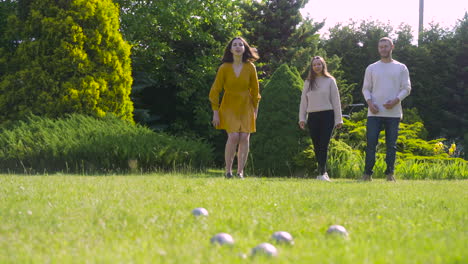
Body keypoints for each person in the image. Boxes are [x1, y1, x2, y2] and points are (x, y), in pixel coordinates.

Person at [209, 37, 260, 179]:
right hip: (229, 104)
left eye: (241, 45)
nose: (238, 47)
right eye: (235, 45)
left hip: (246, 104)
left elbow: (255, 90)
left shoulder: (250, 67)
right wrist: (215, 112)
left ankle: (240, 172)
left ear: (244, 49)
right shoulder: (224, 68)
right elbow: (215, 90)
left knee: (244, 137)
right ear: (230, 49)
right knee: (233, 137)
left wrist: (255, 109)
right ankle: (228, 171)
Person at [361, 37, 411, 182]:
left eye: (386, 46)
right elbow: (365, 89)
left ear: (392, 47)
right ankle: (367, 174)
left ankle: (390, 174)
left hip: (393, 113)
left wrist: (396, 101)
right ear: (378, 49)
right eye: (381, 47)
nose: (383, 49)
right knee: (371, 144)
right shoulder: (371, 68)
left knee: (391, 146)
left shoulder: (401, 68)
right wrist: (370, 103)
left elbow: (406, 88)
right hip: (374, 113)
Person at [299, 56, 343, 182]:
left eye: (319, 64)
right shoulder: (308, 82)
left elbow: (336, 100)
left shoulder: (330, 80)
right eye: (314, 65)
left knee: (324, 144)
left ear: (323, 65)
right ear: (311, 67)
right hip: (313, 117)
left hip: (327, 116)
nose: (317, 66)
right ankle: (321, 171)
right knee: (316, 145)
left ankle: (322, 172)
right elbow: (303, 101)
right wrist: (302, 118)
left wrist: (339, 119)